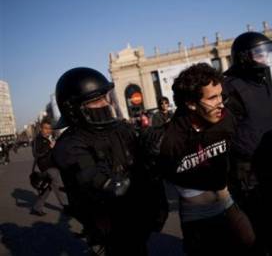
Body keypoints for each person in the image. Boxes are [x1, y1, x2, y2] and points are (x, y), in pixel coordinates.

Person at [52, 67, 167, 255]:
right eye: (97, 100)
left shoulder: (120, 128)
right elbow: (95, 180)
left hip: (136, 219)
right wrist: (130, 179)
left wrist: (153, 146)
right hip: (108, 225)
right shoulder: (70, 144)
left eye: (105, 97)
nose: (105, 103)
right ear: (74, 109)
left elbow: (143, 147)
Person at [152, 63, 255, 256]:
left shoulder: (225, 119)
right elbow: (153, 179)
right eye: (212, 97)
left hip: (227, 201)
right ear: (191, 103)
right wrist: (159, 211)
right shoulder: (169, 139)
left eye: (221, 95)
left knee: (249, 243)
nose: (221, 103)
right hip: (195, 214)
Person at [224, 31, 272, 255]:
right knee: (254, 230)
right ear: (244, 57)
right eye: (261, 54)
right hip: (243, 171)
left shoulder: (265, 85)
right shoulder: (230, 88)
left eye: (268, 53)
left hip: (265, 165)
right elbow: (223, 132)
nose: (266, 58)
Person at [31, 118, 68, 216]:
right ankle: (67, 206)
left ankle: (36, 208)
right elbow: (37, 154)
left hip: (53, 165)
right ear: (41, 128)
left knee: (48, 188)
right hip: (47, 167)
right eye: (46, 128)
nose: (48, 130)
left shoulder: (48, 138)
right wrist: (49, 148)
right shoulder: (36, 140)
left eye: (50, 129)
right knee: (59, 185)